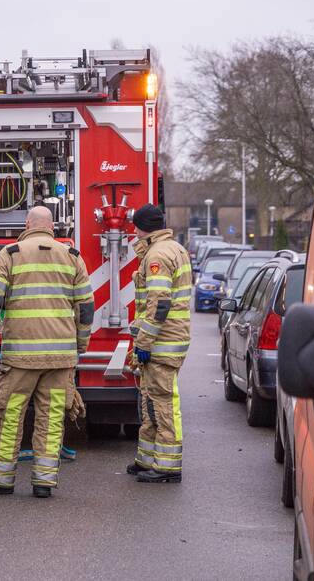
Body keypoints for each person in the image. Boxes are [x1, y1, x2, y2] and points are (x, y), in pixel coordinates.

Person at [0, 206, 94, 498]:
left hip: (19, 356)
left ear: (27, 224)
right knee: (51, 418)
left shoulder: (10, 254)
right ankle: (44, 482)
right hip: (60, 358)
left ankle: (1, 478)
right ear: (52, 227)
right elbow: (85, 309)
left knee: (10, 416)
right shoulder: (72, 257)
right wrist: (80, 345)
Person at [126, 203, 193, 484]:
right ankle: (147, 459)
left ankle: (167, 467)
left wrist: (143, 341)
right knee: (151, 400)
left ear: (143, 226)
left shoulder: (158, 254)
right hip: (168, 339)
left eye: (135, 224)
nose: (132, 229)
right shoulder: (173, 248)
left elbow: (159, 303)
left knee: (162, 403)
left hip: (162, 341)